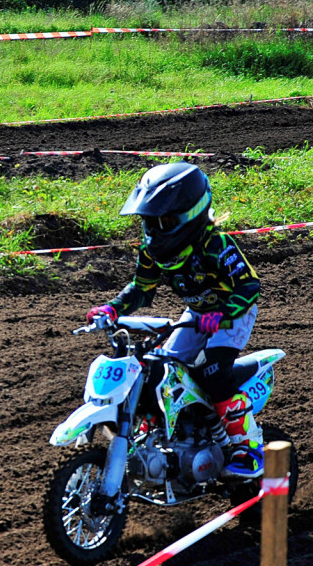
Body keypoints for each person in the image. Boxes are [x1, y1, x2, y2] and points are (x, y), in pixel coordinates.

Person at [86, 162, 263, 478]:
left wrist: (223, 314)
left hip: (232, 313)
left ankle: (247, 447)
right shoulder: (153, 251)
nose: (155, 229)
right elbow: (141, 288)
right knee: (162, 368)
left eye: (164, 220)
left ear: (190, 214)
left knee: (211, 369)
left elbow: (249, 285)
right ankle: (172, 433)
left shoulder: (215, 245)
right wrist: (112, 309)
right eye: (149, 221)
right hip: (197, 314)